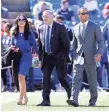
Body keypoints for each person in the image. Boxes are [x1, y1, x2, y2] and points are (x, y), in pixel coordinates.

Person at [67, 7, 104, 107]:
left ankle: (93, 101)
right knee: (76, 79)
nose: (86, 15)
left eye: (87, 13)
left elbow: (101, 41)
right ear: (79, 15)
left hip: (91, 57)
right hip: (78, 58)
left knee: (92, 80)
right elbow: (73, 44)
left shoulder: (95, 26)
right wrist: (73, 56)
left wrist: (99, 53)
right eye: (83, 13)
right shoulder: (75, 28)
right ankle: (74, 99)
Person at [37, 10, 71, 106]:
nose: (44, 18)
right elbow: (40, 46)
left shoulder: (60, 27)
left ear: (52, 16)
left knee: (61, 78)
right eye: (43, 16)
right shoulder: (40, 28)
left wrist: (63, 56)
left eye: (46, 16)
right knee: (45, 79)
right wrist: (40, 59)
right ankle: (46, 100)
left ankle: (71, 96)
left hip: (58, 57)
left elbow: (67, 44)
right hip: (46, 57)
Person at [11, 14, 38, 105]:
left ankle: (20, 97)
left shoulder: (29, 33)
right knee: (21, 78)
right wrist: (14, 48)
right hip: (17, 57)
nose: (21, 21)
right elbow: (12, 45)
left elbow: (34, 45)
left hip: (27, 57)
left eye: (23, 20)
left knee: (21, 77)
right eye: (19, 20)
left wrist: (37, 56)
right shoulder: (14, 32)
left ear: (26, 22)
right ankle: (25, 97)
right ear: (17, 22)